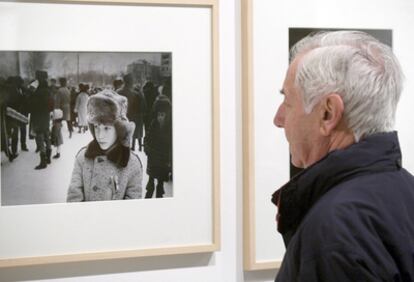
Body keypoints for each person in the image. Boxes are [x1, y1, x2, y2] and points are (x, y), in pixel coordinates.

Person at [272, 30, 414, 281]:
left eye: (288, 101)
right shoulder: (405, 188)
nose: (278, 119)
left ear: (328, 114)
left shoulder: (334, 230)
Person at [67, 89, 143, 202]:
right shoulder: (82, 158)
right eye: (97, 127)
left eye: (107, 128)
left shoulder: (132, 164)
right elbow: (74, 198)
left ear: (119, 130)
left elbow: (131, 209)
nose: (100, 135)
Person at [144, 95, 172, 198]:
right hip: (153, 156)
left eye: (162, 115)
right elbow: (147, 137)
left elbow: (171, 145)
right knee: (151, 180)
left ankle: (159, 192)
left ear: (167, 115)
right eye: (158, 114)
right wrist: (147, 147)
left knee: (160, 181)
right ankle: (149, 190)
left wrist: (170, 158)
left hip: (164, 158)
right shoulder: (153, 124)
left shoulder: (170, 128)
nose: (160, 117)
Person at [118, 73, 146, 151]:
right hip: (132, 119)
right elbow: (142, 108)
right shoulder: (136, 94)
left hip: (120, 120)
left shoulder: (118, 92)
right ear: (131, 82)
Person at [30, 70, 52, 169]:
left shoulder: (37, 91)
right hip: (46, 116)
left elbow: (32, 104)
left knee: (39, 137)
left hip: (38, 116)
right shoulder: (48, 90)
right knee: (47, 135)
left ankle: (43, 162)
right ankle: (48, 157)